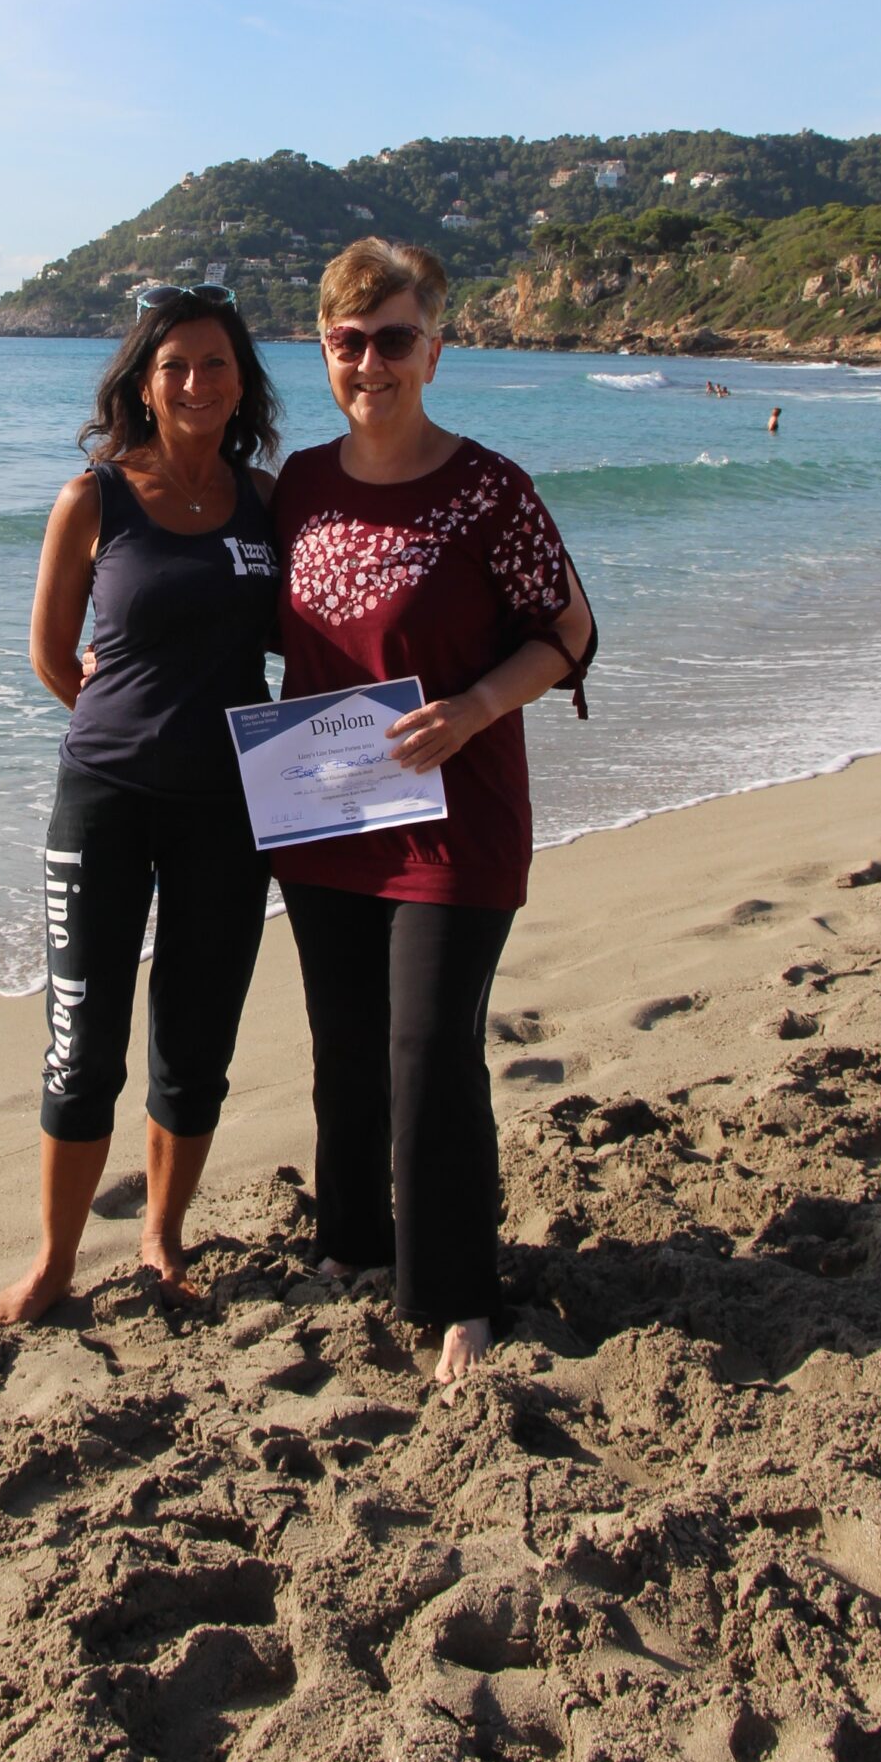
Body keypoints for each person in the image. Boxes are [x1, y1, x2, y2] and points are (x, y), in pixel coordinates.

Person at [270, 239, 595, 1396]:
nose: (372, 363)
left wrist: (472, 708)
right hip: (327, 814)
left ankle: (459, 1289)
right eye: (349, 342)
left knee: (428, 1049)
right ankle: (353, 1240)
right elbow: (234, 610)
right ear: (324, 352)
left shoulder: (490, 490)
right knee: (346, 1047)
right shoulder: (299, 485)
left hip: (457, 819)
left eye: (395, 339)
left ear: (435, 350)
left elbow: (570, 630)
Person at [0, 287, 281, 1324]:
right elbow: (50, 655)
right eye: (174, 366)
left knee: (196, 1045)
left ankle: (163, 1236)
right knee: (82, 1046)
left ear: (241, 382)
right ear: (143, 386)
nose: (196, 382)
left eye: (215, 363)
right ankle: (54, 1261)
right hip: (104, 804)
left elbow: (316, 629)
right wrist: (129, 723)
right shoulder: (94, 498)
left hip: (231, 811)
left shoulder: (266, 501)